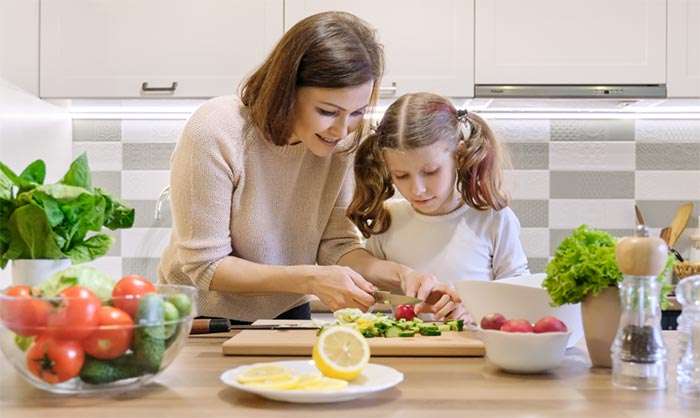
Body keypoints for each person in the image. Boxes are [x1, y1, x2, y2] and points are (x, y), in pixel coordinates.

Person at [158, 12, 461, 323]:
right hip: (201, 320)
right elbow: (206, 266)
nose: (342, 130)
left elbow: (337, 245)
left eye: (356, 112)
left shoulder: (341, 144)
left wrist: (402, 276)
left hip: (288, 313)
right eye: (328, 111)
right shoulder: (216, 131)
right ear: (286, 90)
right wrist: (311, 279)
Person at [347, 92, 530, 319]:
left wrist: (475, 310)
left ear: (459, 155)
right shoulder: (387, 221)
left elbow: (521, 297)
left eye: (431, 171)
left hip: (475, 348)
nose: (417, 190)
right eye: (401, 175)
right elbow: (372, 294)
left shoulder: (493, 219)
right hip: (406, 351)